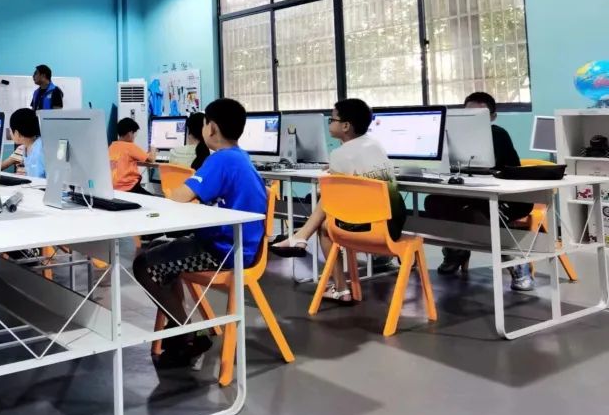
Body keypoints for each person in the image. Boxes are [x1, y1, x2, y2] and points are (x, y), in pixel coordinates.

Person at [132, 98, 267, 367]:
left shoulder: (222, 160)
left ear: (211, 128)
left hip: (225, 251)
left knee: (143, 265)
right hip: (237, 245)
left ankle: (186, 333)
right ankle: (181, 331)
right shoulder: (239, 157)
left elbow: (180, 196)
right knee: (158, 253)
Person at [271, 99, 405, 303]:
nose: (329, 123)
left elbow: (334, 197)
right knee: (327, 201)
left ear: (345, 126)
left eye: (332, 119)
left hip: (369, 232)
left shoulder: (340, 154)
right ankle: (300, 237)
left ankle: (341, 288)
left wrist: (329, 179)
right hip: (393, 224)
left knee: (325, 224)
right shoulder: (376, 145)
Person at [423, 92, 535, 290]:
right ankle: (456, 249)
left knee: (479, 211)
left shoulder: (498, 135)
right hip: (471, 194)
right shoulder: (452, 137)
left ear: (493, 117)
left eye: (479, 116)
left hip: (509, 196)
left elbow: (492, 169)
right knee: (434, 202)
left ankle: (515, 261)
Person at [109, 118, 157, 195]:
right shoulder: (130, 146)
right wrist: (154, 146)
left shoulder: (112, 146)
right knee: (154, 198)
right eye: (134, 134)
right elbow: (151, 160)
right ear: (130, 133)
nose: (135, 136)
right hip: (128, 187)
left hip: (114, 188)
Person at [0, 108, 45, 178]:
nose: (10, 133)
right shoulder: (25, 147)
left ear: (17, 133)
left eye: (10, 130)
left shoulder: (41, 149)